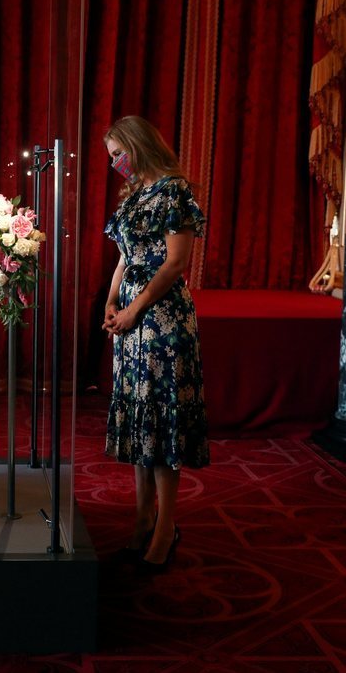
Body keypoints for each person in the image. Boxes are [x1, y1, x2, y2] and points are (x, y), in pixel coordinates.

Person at [102, 116, 210, 573]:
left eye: (116, 154)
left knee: (162, 420)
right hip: (130, 322)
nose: (114, 165)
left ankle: (167, 526)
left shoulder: (174, 190)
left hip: (163, 320)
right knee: (139, 417)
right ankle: (143, 516)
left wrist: (135, 309)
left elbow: (175, 263)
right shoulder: (134, 197)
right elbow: (126, 258)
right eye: (110, 158)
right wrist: (110, 302)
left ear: (136, 146)